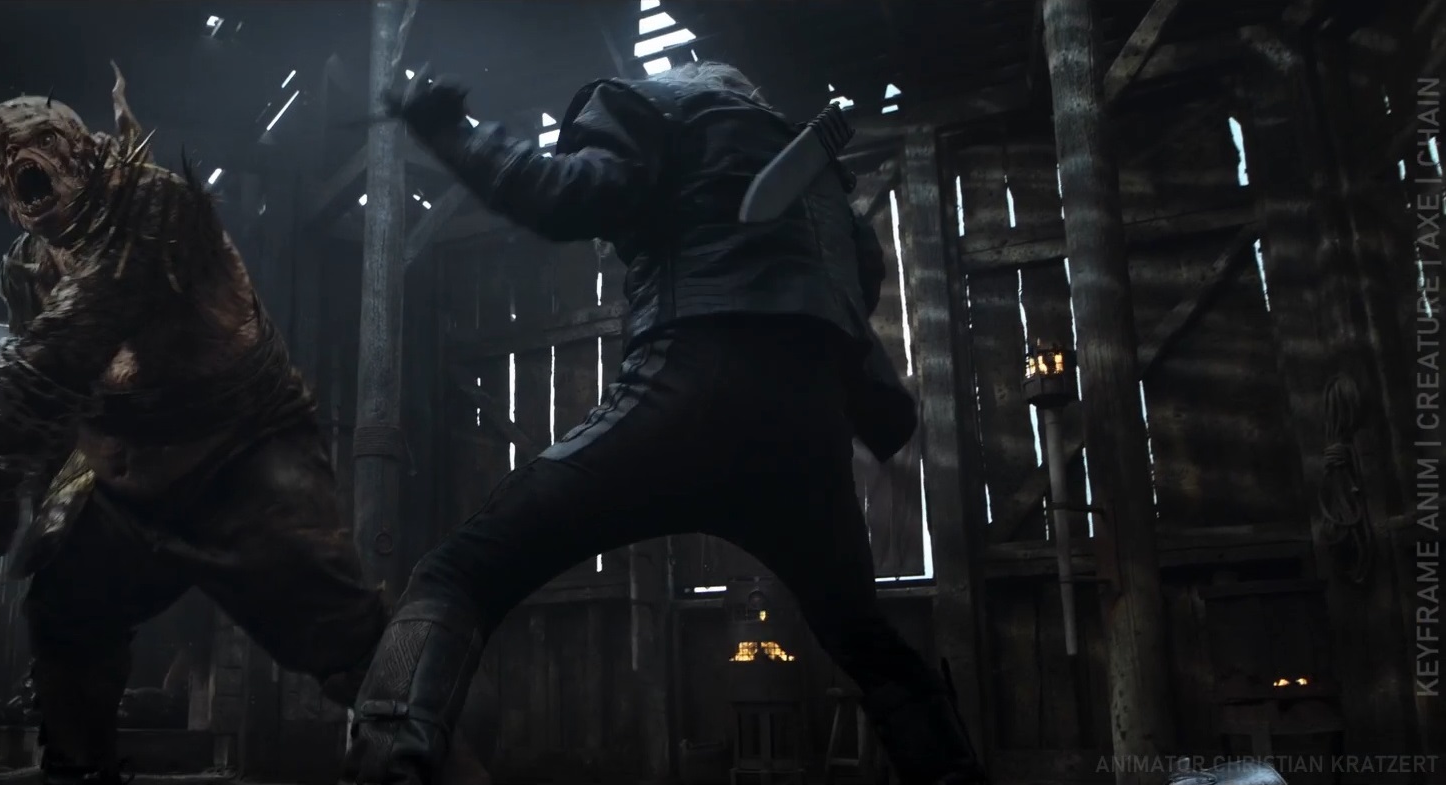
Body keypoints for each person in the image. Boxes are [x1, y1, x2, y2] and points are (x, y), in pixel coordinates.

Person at [339, 62, 986, 785]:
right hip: (808, 431)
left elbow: (562, 196)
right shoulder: (823, 179)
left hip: (692, 388)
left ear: (692, 76)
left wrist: (447, 128)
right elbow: (859, 286)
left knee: (457, 573)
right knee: (867, 642)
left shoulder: (648, 104)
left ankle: (387, 767)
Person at [0, 68, 490, 785]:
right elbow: (53, 393)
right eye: (1, 163)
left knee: (346, 641)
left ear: (81, 144)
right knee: (66, 610)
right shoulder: (25, 270)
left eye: (44, 141)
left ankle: (447, 773)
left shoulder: (156, 203)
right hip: (128, 479)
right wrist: (36, 492)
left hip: (243, 455)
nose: (24, 164)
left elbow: (72, 337)